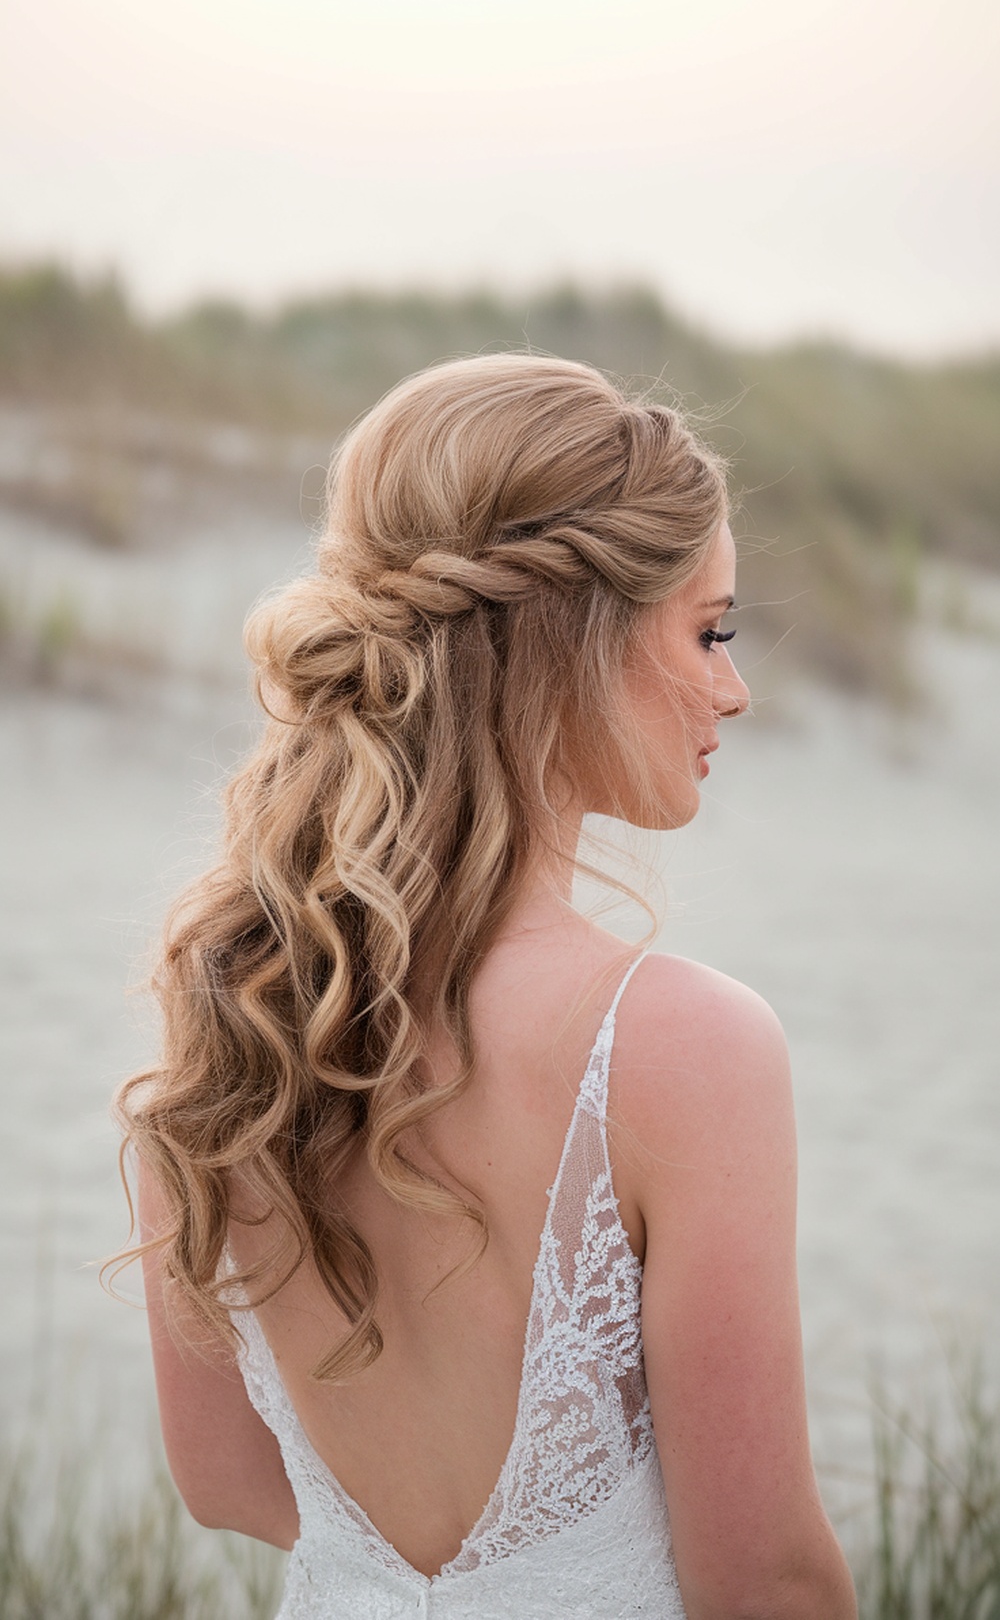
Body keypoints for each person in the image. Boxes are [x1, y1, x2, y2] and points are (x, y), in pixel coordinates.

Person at [116, 354, 857, 1619]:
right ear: (577, 634)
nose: (732, 688)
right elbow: (767, 1581)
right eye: (710, 628)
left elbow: (227, 1484)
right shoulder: (679, 1047)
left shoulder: (231, 1006)